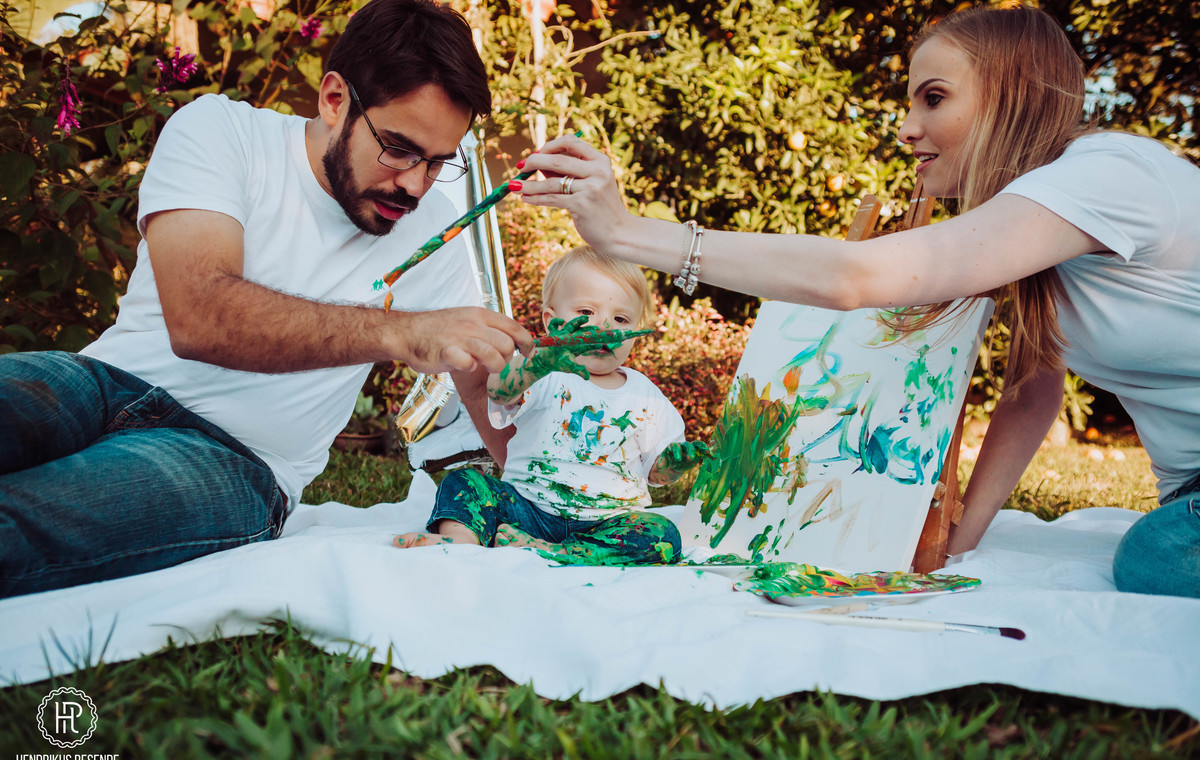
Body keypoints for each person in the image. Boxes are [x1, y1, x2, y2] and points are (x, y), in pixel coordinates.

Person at [510, 3, 1200, 597]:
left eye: (933, 98)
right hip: (1186, 497)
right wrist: (961, 537)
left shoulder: (1109, 176)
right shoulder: (1036, 228)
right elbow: (1033, 387)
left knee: (1154, 559)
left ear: (1010, 97)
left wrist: (629, 234)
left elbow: (856, 277)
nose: (905, 128)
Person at [0, 0, 533, 598]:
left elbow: (504, 421)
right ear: (335, 100)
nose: (414, 184)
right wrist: (398, 331)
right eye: (400, 148)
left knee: (19, 521)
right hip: (99, 381)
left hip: (233, 462)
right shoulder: (223, 132)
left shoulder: (436, 229)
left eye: (438, 162)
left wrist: (561, 389)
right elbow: (199, 316)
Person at [394, 246, 710, 565]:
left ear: (635, 332)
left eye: (621, 318)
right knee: (465, 482)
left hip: (607, 522)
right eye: (585, 313)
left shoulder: (645, 395)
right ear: (552, 321)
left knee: (661, 533)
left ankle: (561, 552)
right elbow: (500, 391)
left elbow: (657, 473)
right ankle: (460, 541)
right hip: (527, 510)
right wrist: (538, 363)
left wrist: (677, 462)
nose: (604, 327)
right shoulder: (543, 372)